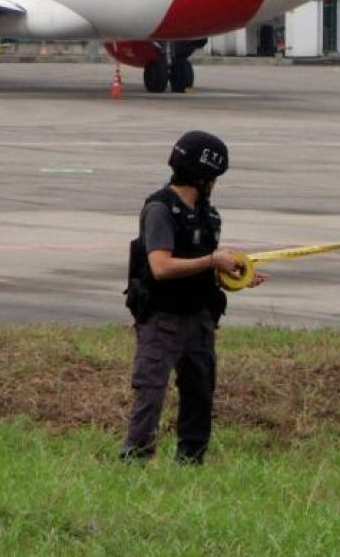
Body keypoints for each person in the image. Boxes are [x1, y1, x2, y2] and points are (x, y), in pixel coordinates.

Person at [120, 131, 267, 464]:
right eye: (213, 179)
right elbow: (160, 267)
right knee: (151, 392)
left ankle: (191, 461)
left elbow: (199, 267)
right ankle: (136, 458)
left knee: (200, 393)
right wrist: (214, 261)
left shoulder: (208, 216)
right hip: (162, 319)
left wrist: (236, 276)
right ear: (200, 176)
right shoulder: (160, 209)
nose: (214, 186)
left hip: (198, 318)